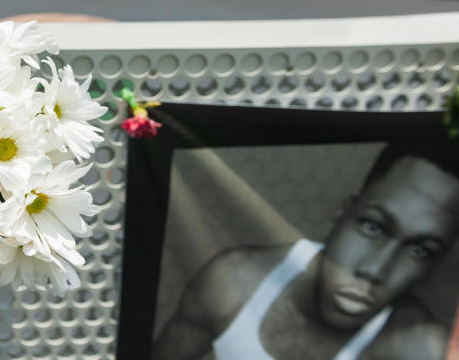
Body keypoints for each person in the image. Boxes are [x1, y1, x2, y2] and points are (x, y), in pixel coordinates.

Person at [154, 142, 459, 360]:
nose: (375, 269)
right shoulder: (235, 281)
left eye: (419, 250)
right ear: (340, 216)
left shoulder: (417, 347)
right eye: (372, 227)